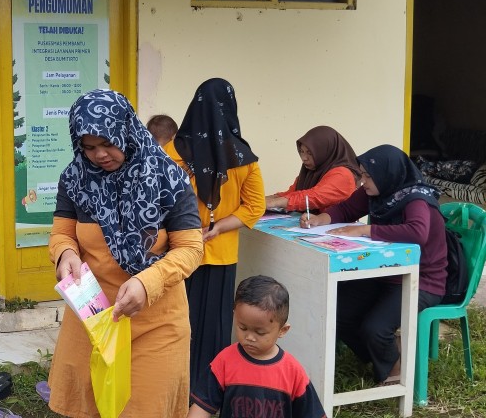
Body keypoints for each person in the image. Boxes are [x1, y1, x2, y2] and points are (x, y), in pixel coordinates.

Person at [48, 90, 204, 417]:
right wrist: (65, 254)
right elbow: (62, 233)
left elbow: (191, 249)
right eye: (89, 147)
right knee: (88, 407)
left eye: (107, 143)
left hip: (155, 321)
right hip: (93, 318)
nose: (99, 155)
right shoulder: (75, 179)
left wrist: (147, 283)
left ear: (127, 131)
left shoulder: (168, 178)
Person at [301, 144, 447, 385]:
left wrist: (365, 230)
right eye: (362, 175)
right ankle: (385, 355)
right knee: (336, 312)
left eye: (368, 176)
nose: (363, 182)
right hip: (385, 271)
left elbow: (417, 232)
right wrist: (320, 219)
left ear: (387, 174)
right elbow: (346, 208)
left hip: (421, 279)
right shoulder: (377, 189)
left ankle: (395, 372)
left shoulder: (416, 199)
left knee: (375, 328)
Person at [169, 77, 266, 394]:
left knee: (176, 322)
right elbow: (255, 206)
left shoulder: (172, 152)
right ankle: (208, 394)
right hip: (221, 254)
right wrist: (217, 228)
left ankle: (174, 387)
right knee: (213, 327)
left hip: (178, 252)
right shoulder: (243, 157)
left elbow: (158, 201)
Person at [187, 275, 326, 418]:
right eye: (243, 328)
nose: (249, 337)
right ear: (235, 316)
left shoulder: (293, 372)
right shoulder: (225, 361)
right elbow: (201, 407)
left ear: (282, 330)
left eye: (260, 332)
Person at [265, 126, 359, 213]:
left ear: (325, 151)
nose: (304, 158)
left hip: (334, 224)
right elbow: (292, 193)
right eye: (302, 151)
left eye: (310, 153)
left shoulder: (343, 174)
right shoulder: (312, 170)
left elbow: (313, 197)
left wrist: (272, 203)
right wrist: (265, 200)